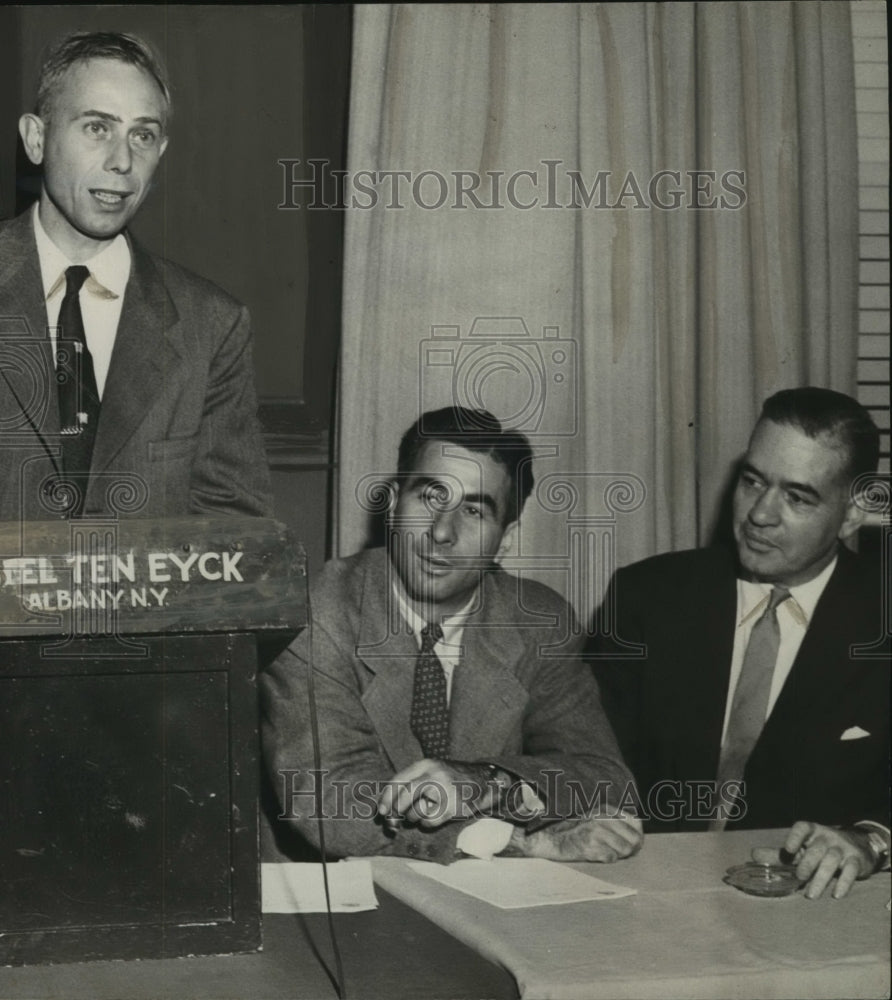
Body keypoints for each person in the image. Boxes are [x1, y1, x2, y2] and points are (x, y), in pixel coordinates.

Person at [261, 406, 642, 863]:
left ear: (506, 538)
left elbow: (606, 779)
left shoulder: (540, 621)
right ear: (394, 502)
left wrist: (485, 783)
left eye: (475, 511)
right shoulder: (317, 610)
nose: (442, 532)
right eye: (429, 497)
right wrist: (512, 840)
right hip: (333, 892)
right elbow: (331, 802)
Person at [591, 387, 890, 899]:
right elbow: (582, 759)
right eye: (753, 481)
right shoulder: (646, 597)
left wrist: (871, 840)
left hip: (807, 913)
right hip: (642, 896)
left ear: (854, 510)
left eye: (797, 497)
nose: (759, 515)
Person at [0, 31, 271, 520]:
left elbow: (232, 533)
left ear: (160, 151)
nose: (122, 161)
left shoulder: (210, 325)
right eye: (97, 128)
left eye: (141, 135)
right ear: (36, 139)